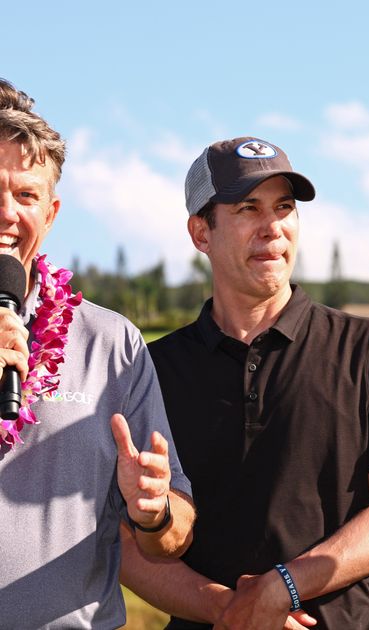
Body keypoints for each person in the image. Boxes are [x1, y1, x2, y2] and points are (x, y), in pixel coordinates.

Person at [120, 136, 369, 629]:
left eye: (284, 208)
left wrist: (281, 587)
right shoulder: (150, 370)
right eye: (248, 208)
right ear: (201, 232)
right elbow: (127, 546)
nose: (273, 228)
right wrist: (231, 609)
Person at [0, 79, 195, 628]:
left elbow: (171, 538)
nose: (7, 214)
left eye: (26, 195)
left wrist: (154, 511)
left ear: (53, 213)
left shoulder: (113, 343)